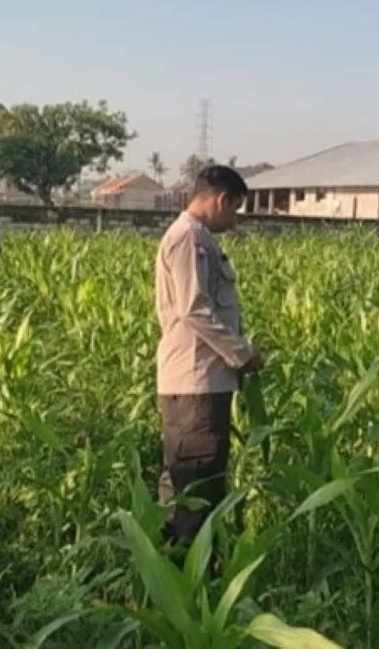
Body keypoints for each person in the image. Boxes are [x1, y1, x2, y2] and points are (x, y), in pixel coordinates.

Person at [155, 165, 265, 551]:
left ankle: (176, 566)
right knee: (197, 483)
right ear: (221, 200)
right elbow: (195, 308)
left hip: (199, 380)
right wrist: (243, 354)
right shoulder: (189, 238)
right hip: (196, 382)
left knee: (186, 479)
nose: (234, 220)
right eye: (234, 209)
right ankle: (190, 575)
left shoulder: (195, 237)